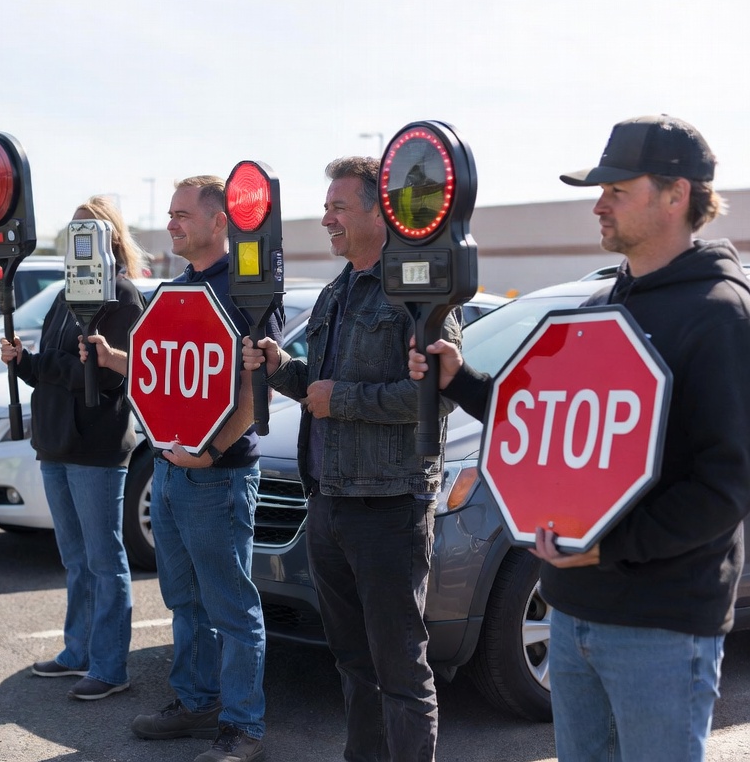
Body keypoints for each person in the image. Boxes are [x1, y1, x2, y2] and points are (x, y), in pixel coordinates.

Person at [409, 115, 750, 762]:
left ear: (676, 194)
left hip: (662, 627)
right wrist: (463, 382)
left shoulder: (719, 315)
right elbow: (546, 423)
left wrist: (607, 548)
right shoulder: (602, 305)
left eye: (617, 190)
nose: (598, 204)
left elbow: (724, 488)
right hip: (570, 611)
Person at [242, 157, 460, 762]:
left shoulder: (419, 288)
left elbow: (432, 399)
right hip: (329, 502)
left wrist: (341, 399)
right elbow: (318, 386)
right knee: (353, 662)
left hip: (388, 505)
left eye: (339, 207)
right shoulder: (337, 290)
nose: (326, 218)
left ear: (380, 210)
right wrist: (281, 368)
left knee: (400, 669)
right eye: (327, 206)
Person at [86, 176, 279, 762]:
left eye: (181, 215)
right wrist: (115, 359)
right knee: (183, 599)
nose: (170, 224)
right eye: (169, 215)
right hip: (170, 469)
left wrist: (213, 451)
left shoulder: (247, 288)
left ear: (220, 222)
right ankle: (196, 703)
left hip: (218, 475)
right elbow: (160, 369)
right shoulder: (175, 288)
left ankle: (244, 728)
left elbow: (256, 385)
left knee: (232, 607)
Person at [0, 196, 147, 701]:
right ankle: (77, 651)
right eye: (74, 230)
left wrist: (54, 366)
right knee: (76, 557)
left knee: (105, 559)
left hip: (97, 444)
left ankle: (109, 665)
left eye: (90, 230)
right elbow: (58, 370)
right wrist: (25, 362)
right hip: (56, 439)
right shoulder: (67, 293)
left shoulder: (122, 294)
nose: (79, 239)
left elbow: (106, 381)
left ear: (111, 238)